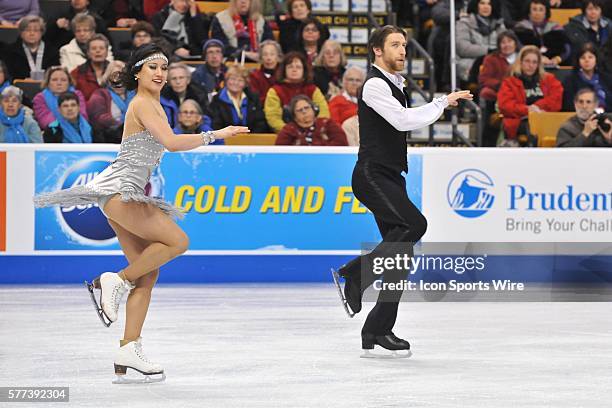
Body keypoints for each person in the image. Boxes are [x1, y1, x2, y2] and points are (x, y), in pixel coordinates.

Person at [33, 43, 248, 383]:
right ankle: (114, 280)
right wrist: (216, 134)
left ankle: (128, 349)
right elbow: (173, 144)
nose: (161, 73)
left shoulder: (155, 106)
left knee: (146, 276)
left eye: (164, 67)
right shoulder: (142, 104)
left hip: (120, 194)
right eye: (153, 67)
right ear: (137, 73)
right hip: (118, 191)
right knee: (178, 241)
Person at [331, 26, 472, 358]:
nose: (403, 50)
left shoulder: (393, 84)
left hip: (391, 176)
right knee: (415, 225)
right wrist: (443, 102)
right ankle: (355, 273)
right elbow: (401, 121)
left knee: (401, 256)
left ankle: (377, 329)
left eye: (405, 45)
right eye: (395, 45)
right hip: (371, 175)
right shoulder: (375, 84)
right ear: (377, 51)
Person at [497, 45, 563, 145]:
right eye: (527, 61)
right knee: (532, 127)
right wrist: (528, 110)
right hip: (520, 120)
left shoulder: (549, 79)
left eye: (534, 62)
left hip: (545, 117)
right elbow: (505, 106)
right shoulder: (509, 82)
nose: (530, 65)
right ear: (520, 62)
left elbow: (556, 100)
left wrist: (537, 107)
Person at [264, 51, 329, 133]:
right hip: (285, 135)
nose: (294, 70)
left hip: (313, 134)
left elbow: (323, 113)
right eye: (290, 67)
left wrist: (313, 130)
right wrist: (292, 131)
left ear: (304, 70)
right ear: (284, 70)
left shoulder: (313, 89)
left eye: (298, 67)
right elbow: (273, 118)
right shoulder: (275, 91)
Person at [456, 0, 506, 83]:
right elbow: (463, 48)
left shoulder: (499, 24)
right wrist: (488, 50)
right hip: (470, 62)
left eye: (489, 4)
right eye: (482, 3)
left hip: (495, 60)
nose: (486, 7)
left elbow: (506, 43)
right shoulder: (464, 23)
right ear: (476, 5)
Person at [209, 65, 269, 132]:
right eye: (232, 79)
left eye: (240, 80)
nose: (236, 83)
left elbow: (260, 122)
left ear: (245, 83)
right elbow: (216, 125)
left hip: (251, 138)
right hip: (226, 139)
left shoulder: (253, 98)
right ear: (226, 80)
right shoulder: (217, 100)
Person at [87, 60, 134, 143]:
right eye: (114, 76)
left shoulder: (135, 94)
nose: (118, 80)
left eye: (122, 76)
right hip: (109, 139)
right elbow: (99, 118)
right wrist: (122, 126)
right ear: (108, 78)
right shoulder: (100, 94)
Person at [514, 0, 571, 66]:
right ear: (529, 13)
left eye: (541, 10)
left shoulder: (556, 28)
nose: (537, 13)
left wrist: (558, 59)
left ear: (546, 13)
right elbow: (519, 48)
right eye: (534, 9)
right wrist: (538, 58)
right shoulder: (521, 29)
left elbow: (567, 48)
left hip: (555, 65)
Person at [275, 94, 347, 145]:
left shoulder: (328, 124)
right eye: (299, 110)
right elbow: (280, 151)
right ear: (294, 115)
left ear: (314, 109)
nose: (304, 111)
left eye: (306, 108)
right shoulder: (288, 130)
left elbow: (341, 143)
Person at [33, 66, 89, 130]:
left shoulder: (77, 95)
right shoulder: (40, 98)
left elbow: (82, 116)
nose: (59, 83)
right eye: (54, 80)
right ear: (48, 83)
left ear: (69, 82)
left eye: (63, 80)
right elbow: (45, 120)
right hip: (55, 131)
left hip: (77, 128)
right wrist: (64, 128)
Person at [5, 15, 59, 81]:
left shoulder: (52, 51)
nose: (32, 33)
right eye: (27, 30)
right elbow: (9, 75)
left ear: (42, 32)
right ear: (21, 33)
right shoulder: (11, 51)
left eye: (36, 30)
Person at [562, 42, 612, 111]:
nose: (587, 60)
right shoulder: (571, 80)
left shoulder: (607, 78)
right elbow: (568, 105)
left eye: (590, 57)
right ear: (578, 61)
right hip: (581, 117)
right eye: (583, 58)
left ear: (596, 60)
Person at [160, 62, 209, 128]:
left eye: (181, 78)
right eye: (174, 78)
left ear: (188, 80)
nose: (178, 82)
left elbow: (205, 120)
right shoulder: (162, 98)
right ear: (169, 82)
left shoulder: (200, 95)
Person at [71, 34, 111, 100]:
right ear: (88, 53)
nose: (98, 51)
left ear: (107, 52)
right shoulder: (76, 73)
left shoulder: (115, 71)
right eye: (93, 48)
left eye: (101, 48)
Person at [248, 40, 282, 105]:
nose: (268, 58)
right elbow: (255, 99)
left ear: (278, 57)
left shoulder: (284, 75)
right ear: (261, 58)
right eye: (265, 54)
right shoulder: (254, 76)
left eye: (272, 54)